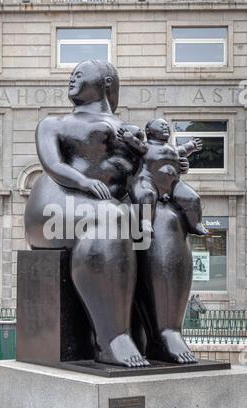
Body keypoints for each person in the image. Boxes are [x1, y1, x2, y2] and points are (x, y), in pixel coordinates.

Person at [25, 60, 197, 366]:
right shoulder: (54, 123)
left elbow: (145, 171)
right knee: (113, 218)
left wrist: (174, 168)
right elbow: (52, 164)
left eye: (81, 73)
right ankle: (111, 338)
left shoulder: (132, 132)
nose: (72, 77)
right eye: (71, 73)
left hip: (110, 204)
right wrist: (85, 182)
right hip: (58, 202)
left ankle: (166, 333)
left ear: (106, 81)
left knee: (167, 220)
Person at [117, 118, 208, 237]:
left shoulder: (173, 149)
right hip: (149, 181)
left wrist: (192, 145)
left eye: (167, 126)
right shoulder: (146, 147)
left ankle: (195, 224)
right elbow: (136, 144)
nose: (166, 127)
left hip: (173, 185)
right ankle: (146, 222)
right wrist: (128, 138)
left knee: (192, 198)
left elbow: (184, 149)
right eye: (161, 125)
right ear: (149, 131)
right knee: (146, 195)